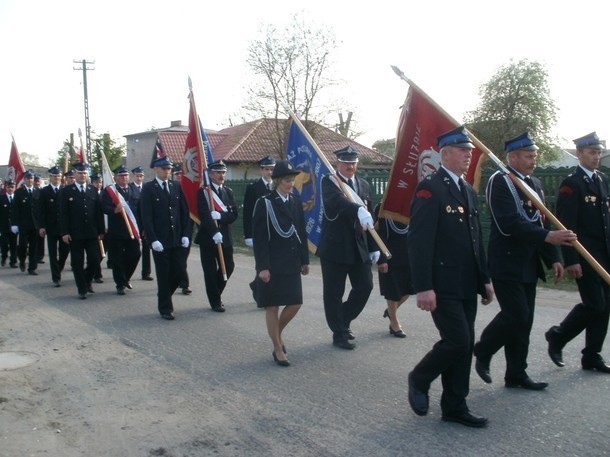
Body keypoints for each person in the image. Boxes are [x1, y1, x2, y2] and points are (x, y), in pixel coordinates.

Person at [473, 132, 576, 391]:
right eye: (529, 156)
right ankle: (483, 350)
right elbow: (509, 223)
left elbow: (540, 221)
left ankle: (516, 373)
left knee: (525, 320)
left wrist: (553, 257)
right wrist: (548, 236)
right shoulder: (501, 182)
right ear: (513, 157)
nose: (533, 161)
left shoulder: (534, 184)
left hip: (528, 262)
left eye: (534, 156)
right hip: (506, 262)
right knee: (516, 315)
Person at [406, 126, 494, 428]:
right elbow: (419, 242)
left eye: (469, 151)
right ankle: (419, 377)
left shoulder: (468, 190)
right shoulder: (430, 189)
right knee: (457, 341)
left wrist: (485, 279)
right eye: (463, 151)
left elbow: (474, 240)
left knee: (465, 343)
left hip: (467, 282)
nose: (469, 156)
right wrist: (424, 287)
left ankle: (455, 404)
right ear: (445, 154)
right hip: (441, 284)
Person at [545, 132, 610, 374]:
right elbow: (565, 225)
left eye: (599, 152)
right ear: (580, 154)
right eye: (592, 152)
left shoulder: (601, 180)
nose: (597, 156)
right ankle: (558, 336)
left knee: (605, 306)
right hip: (584, 254)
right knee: (595, 304)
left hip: (604, 255)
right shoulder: (572, 184)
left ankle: (592, 356)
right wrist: (571, 259)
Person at [316, 146, 379, 350]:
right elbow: (336, 203)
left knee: (365, 286)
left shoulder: (363, 185)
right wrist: (358, 209)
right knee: (334, 292)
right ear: (338, 164)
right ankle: (339, 333)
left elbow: (370, 217)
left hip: (358, 246)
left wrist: (374, 246)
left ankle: (342, 320)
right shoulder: (330, 182)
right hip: (335, 246)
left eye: (353, 162)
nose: (350, 165)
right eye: (345, 162)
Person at [252, 160, 309, 366]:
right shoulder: (265, 202)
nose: (290, 184)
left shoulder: (294, 201)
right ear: (277, 181)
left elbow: (301, 231)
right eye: (287, 181)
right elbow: (260, 238)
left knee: (295, 303)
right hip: (273, 263)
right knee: (273, 306)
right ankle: (277, 348)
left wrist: (304, 260)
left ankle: (276, 333)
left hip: (292, 260)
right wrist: (263, 267)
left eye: (292, 180)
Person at [139, 157, 191, 320]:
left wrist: (186, 234)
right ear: (156, 170)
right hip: (160, 241)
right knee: (163, 274)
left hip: (176, 238)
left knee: (179, 271)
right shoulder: (148, 188)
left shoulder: (176, 186)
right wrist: (152, 239)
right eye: (164, 169)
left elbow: (184, 212)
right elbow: (146, 216)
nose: (167, 172)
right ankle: (166, 308)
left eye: (169, 169)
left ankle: (164, 295)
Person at [195, 160, 238, 312]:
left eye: (223, 172)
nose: (221, 175)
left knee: (229, 266)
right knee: (210, 270)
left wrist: (220, 216)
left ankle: (216, 293)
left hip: (225, 237)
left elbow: (233, 215)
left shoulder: (228, 192)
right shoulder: (203, 192)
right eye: (218, 172)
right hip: (208, 237)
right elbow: (204, 214)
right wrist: (214, 232)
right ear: (211, 175)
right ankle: (215, 301)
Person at [59, 163, 105, 299]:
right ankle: (82, 288)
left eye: (85, 173)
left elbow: (98, 212)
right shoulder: (66, 191)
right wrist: (64, 232)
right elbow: (63, 213)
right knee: (77, 262)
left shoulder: (92, 190)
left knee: (95, 259)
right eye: (80, 173)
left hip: (91, 232)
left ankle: (87, 279)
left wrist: (101, 230)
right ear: (75, 174)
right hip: (75, 233)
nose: (82, 175)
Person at [374, 203, 413, 338]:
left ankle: (391, 311)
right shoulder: (382, 208)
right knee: (392, 291)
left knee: (409, 290)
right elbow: (379, 235)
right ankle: (394, 323)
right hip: (390, 257)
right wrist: (382, 259)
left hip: (409, 255)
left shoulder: (411, 206)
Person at [101, 166, 142, 295]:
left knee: (135, 254)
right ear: (116, 178)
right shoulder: (110, 191)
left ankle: (126, 278)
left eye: (126, 176)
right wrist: (114, 210)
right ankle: (120, 284)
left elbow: (140, 209)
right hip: (117, 231)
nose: (124, 178)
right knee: (117, 259)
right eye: (121, 176)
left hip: (133, 230)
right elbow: (103, 207)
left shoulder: (134, 189)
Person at [243, 155, 275, 302]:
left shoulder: (277, 187)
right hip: (259, 233)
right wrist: (248, 235)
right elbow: (248, 213)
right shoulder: (253, 188)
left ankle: (256, 285)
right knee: (261, 264)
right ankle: (260, 295)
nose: (270, 173)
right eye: (267, 169)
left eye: (272, 169)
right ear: (261, 170)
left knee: (273, 264)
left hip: (274, 233)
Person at [38, 166, 70, 287]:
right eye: (54, 176)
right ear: (50, 177)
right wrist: (41, 226)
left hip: (63, 228)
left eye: (58, 176)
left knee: (65, 251)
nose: (56, 178)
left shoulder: (65, 190)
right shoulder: (44, 191)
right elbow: (41, 211)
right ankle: (56, 277)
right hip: (50, 227)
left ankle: (59, 267)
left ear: (61, 177)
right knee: (52, 253)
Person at [12, 170, 40, 275]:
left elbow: (40, 209)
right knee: (23, 246)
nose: (30, 180)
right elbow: (15, 209)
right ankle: (22, 260)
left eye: (31, 178)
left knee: (34, 246)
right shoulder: (19, 192)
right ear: (24, 179)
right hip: (23, 224)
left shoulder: (38, 191)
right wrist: (14, 224)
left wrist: (41, 224)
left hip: (35, 224)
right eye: (28, 178)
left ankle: (32, 267)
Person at [129, 166, 153, 281]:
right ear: (134, 176)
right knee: (133, 250)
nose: (139, 178)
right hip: (133, 222)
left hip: (144, 222)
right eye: (137, 176)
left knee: (146, 248)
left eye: (141, 176)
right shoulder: (130, 188)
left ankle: (146, 272)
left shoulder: (147, 188)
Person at [90, 173, 105, 283]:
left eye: (100, 182)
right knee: (95, 253)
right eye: (96, 182)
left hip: (105, 227)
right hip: (94, 227)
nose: (98, 184)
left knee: (102, 253)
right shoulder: (90, 193)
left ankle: (93, 270)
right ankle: (96, 274)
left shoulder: (104, 194)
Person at [0, 180, 18, 268]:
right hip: (3, 226)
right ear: (6, 188)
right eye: (9, 187)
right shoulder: (1, 198)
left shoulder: (17, 199)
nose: (10, 189)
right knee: (4, 244)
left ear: (15, 188)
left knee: (13, 244)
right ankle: (3, 258)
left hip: (14, 226)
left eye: (12, 187)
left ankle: (13, 261)